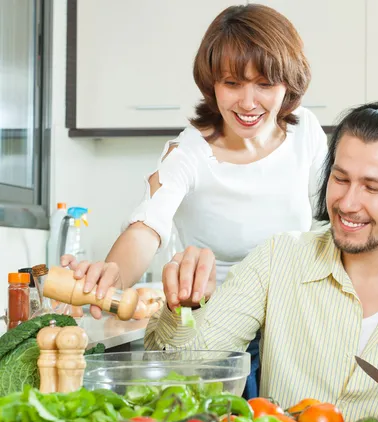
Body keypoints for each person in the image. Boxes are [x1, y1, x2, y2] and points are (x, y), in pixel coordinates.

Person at [144, 101, 378, 422]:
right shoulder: (277, 259)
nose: (347, 202)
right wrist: (183, 309)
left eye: (372, 188)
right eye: (340, 178)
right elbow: (183, 375)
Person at [60, 4, 328, 400]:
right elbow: (148, 226)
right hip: (214, 334)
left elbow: (328, 220)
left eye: (265, 83)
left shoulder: (306, 131)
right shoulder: (188, 152)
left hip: (288, 324)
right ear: (211, 84)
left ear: (288, 84)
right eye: (233, 83)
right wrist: (113, 274)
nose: (248, 102)